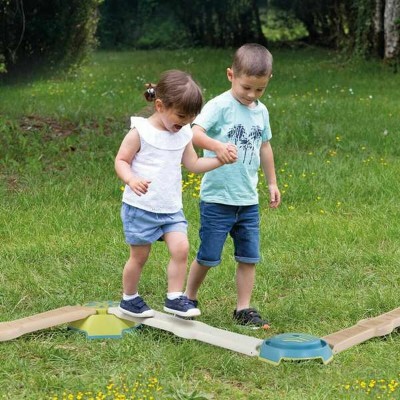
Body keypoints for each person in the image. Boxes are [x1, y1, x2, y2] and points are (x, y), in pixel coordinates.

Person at [115, 70, 237, 319]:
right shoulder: (140, 132)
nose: (185, 122)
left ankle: (174, 298)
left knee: (181, 248)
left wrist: (219, 160)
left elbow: (193, 164)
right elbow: (121, 160)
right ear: (160, 106)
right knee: (139, 257)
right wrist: (131, 179)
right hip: (141, 207)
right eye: (181, 116)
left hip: (170, 208)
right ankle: (129, 298)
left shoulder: (183, 134)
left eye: (191, 117)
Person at [184, 43, 281, 329]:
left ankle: (243, 308)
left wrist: (272, 182)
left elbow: (265, 147)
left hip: (247, 200)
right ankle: (187, 298)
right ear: (231, 75)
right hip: (217, 198)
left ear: (268, 81)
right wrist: (217, 146)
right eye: (246, 87)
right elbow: (194, 133)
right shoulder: (219, 106)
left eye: (259, 89)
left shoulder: (261, 112)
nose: (252, 95)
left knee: (249, 257)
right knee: (208, 256)